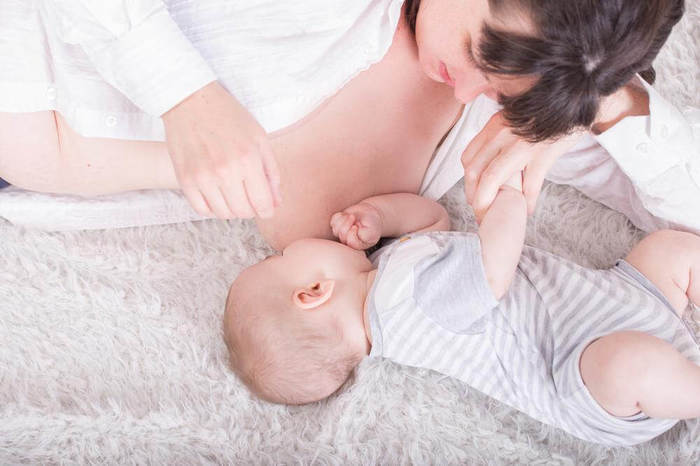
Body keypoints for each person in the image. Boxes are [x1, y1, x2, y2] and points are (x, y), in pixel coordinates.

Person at [1, 0, 698, 247]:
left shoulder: (522, 110)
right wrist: (184, 95)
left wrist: (605, 103)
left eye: (503, 86)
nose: (471, 87)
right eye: (480, 51)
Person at [222, 174, 700, 446]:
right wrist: (509, 200)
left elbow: (435, 221)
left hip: (612, 301)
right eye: (277, 257)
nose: (286, 246)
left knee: (671, 251)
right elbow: (493, 270)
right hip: (584, 373)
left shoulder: (389, 272)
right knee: (634, 365)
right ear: (312, 291)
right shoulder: (404, 306)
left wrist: (380, 215)